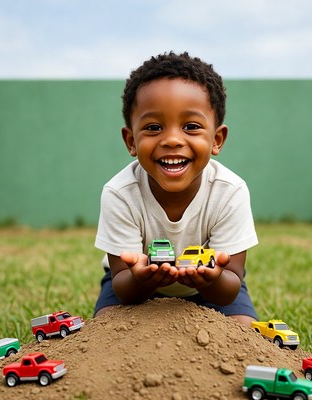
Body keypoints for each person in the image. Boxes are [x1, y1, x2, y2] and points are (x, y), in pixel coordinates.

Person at [94, 51, 258, 326]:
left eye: (191, 126)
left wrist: (211, 278)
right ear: (131, 140)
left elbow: (230, 285)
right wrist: (142, 278)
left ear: (216, 139)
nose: (172, 140)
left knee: (243, 328)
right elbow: (122, 284)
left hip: (211, 288)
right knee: (108, 326)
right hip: (133, 284)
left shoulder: (230, 192)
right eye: (154, 127)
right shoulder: (120, 193)